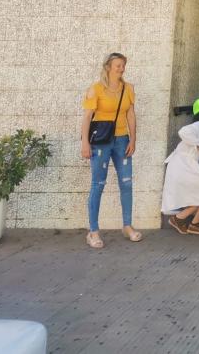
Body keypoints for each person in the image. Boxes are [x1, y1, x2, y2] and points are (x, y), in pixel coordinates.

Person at [81, 52, 142, 249]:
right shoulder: (96, 89)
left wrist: (133, 139)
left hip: (122, 140)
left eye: (123, 65)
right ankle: (93, 231)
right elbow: (87, 117)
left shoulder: (128, 88)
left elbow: (131, 115)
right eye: (118, 65)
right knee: (98, 184)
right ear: (108, 67)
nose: (121, 68)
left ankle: (127, 225)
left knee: (126, 182)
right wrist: (85, 143)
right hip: (100, 141)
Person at [161, 121, 199, 235]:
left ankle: (179, 219)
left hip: (188, 166)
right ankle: (195, 224)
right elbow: (183, 131)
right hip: (184, 165)